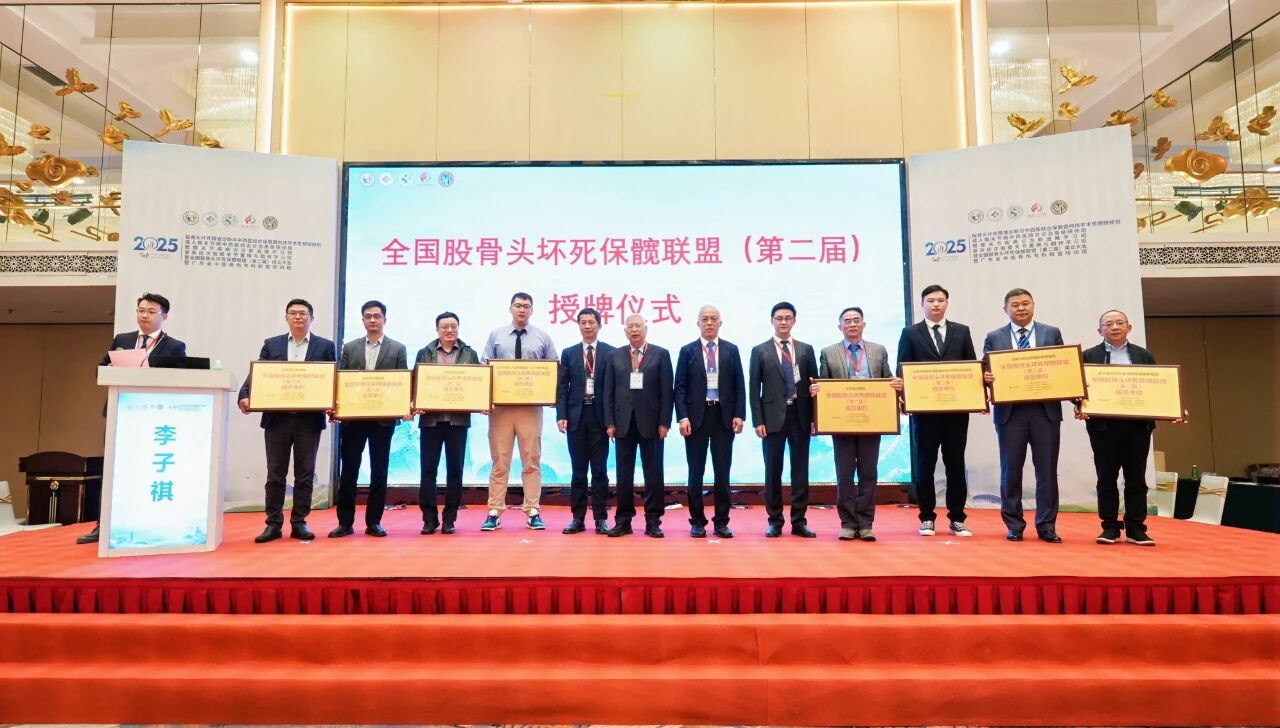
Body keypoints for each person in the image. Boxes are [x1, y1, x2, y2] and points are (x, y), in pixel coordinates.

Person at [78, 292, 188, 545]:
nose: (144, 316)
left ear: (164, 316)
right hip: (120, 411)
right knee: (113, 469)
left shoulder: (175, 346)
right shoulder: (122, 340)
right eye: (141, 310)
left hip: (152, 416)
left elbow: (181, 380)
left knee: (145, 469)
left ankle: (146, 523)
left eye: (151, 312)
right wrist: (109, 369)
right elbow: (99, 369)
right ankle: (103, 525)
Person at [237, 298, 337, 543]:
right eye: (293, 313)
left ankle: (299, 522)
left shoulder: (325, 346)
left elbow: (333, 378)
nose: (298, 317)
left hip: (308, 421)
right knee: (275, 474)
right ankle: (273, 524)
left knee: (305, 474)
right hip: (277, 420)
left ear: (312, 318)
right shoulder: (272, 344)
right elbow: (259, 373)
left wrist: (336, 405)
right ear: (286, 317)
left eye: (303, 313)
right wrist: (244, 394)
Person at [982, 288, 1065, 543]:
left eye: (1025, 303)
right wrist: (985, 377)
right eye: (1015, 305)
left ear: (1033, 305)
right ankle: (1014, 524)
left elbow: (1064, 367)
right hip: (1010, 414)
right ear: (1005, 309)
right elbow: (983, 370)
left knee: (1047, 470)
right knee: (1011, 470)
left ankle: (1047, 525)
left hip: (1045, 412)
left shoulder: (1051, 333)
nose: (1021, 308)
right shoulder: (994, 337)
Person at [895, 284, 978, 538]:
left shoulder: (961, 331)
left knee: (956, 465)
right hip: (925, 413)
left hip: (955, 412)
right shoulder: (910, 333)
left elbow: (971, 367)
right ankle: (927, 518)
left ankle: (957, 518)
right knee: (925, 465)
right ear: (922, 304)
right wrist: (904, 399)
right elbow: (902, 368)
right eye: (930, 300)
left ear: (947, 303)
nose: (935, 304)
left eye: (940, 300)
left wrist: (978, 395)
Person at [813, 307, 899, 542]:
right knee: (844, 475)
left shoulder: (878, 350)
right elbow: (824, 386)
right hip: (842, 423)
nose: (852, 324)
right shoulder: (828, 353)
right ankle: (848, 523)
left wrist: (896, 384)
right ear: (839, 326)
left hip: (871, 421)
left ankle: (866, 523)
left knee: (869, 473)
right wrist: (817, 390)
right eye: (847, 321)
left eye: (856, 320)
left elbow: (887, 379)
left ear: (864, 324)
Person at [1077, 309, 1159, 546]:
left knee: (1136, 478)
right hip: (1103, 428)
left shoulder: (1144, 356)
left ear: (1129, 327)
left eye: (1119, 323)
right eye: (1109, 324)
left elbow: (1158, 388)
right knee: (1106, 478)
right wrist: (1079, 404)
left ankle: (1136, 528)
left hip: (1138, 427)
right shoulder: (1088, 356)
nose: (1114, 327)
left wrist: (1174, 408)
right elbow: (1077, 388)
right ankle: (1110, 527)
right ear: (1100, 330)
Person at [480, 292, 558, 531]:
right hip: (501, 409)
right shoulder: (496, 335)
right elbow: (484, 368)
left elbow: (554, 369)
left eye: (526, 306)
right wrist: (484, 400)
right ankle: (494, 511)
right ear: (510, 308)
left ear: (532, 310)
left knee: (531, 460)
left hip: (530, 409)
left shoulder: (542, 337)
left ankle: (532, 510)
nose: (522, 310)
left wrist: (551, 395)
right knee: (499, 461)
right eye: (518, 305)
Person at [331, 300, 407, 538]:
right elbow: (341, 380)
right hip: (354, 419)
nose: (372, 320)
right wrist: (337, 408)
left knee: (379, 472)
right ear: (363, 320)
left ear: (385, 319)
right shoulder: (350, 348)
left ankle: (374, 522)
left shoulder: (398, 348)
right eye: (368, 316)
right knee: (349, 472)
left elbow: (401, 383)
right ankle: (345, 523)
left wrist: (402, 406)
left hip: (383, 420)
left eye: (377, 316)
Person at [748, 302, 819, 538]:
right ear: (772, 321)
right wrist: (758, 421)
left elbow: (814, 386)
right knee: (773, 471)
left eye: (788, 318)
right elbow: (753, 389)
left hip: (800, 416)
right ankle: (775, 521)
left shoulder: (806, 350)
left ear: (794, 321)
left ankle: (799, 521)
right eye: (779, 318)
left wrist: (814, 418)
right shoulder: (760, 351)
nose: (783, 322)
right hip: (771, 418)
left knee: (800, 471)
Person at [674, 305, 745, 539]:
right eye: (704, 319)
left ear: (720, 323)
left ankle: (722, 522)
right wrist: (682, 417)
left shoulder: (731, 350)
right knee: (695, 472)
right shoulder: (687, 351)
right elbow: (680, 387)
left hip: (723, 417)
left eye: (714, 318)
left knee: (722, 472)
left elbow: (739, 385)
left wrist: (739, 414)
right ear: (698, 324)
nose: (709, 323)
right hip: (696, 418)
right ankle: (697, 521)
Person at [601, 314, 673, 538]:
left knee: (654, 473)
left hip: (652, 423)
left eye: (638, 326)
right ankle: (623, 520)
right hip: (622, 423)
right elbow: (608, 392)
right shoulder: (614, 356)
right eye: (630, 326)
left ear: (646, 329)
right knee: (624, 474)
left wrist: (665, 422)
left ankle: (653, 520)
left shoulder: (661, 354)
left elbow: (667, 392)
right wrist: (609, 422)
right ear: (625, 331)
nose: (634, 330)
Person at [413, 311, 481, 536]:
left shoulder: (469, 354)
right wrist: (415, 403)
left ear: (458, 329)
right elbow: (416, 382)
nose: (449, 330)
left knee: (455, 471)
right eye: (445, 326)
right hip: (430, 421)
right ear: (437, 330)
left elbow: (477, 384)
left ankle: (450, 519)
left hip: (457, 421)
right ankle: (429, 519)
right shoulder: (425, 352)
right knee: (428, 471)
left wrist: (481, 401)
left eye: (453, 326)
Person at [555, 307, 615, 534]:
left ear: (600, 325)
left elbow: (613, 390)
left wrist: (612, 422)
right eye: (583, 322)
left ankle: (601, 518)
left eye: (591, 322)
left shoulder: (610, 352)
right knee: (578, 472)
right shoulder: (569, 353)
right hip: (576, 418)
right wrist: (561, 415)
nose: (588, 326)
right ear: (578, 325)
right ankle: (577, 518)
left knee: (599, 471)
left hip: (600, 419)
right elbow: (562, 387)